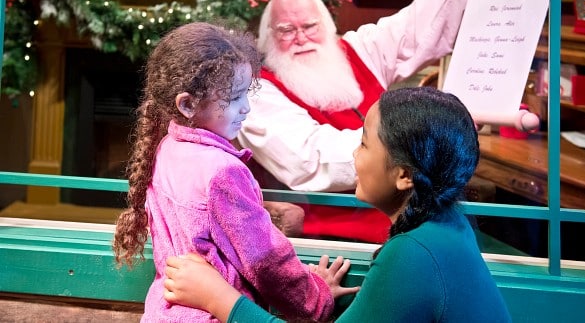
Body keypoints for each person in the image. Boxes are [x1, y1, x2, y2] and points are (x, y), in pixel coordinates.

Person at [163, 87, 512, 322]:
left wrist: (218, 299)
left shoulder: (414, 253)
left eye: (364, 144)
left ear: (404, 175)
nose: (354, 154)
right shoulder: (447, 225)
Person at [112, 22, 358, 322]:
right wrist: (316, 297)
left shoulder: (165, 148)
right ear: (188, 105)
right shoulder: (224, 172)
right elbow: (265, 259)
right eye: (234, 98)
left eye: (247, 95)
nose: (246, 109)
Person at [238, 0, 491, 244]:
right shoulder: (257, 91)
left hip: (412, 221)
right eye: (286, 30)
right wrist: (413, 137)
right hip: (334, 242)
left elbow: (414, 29)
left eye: (310, 26)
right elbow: (309, 160)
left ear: (328, 26)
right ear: (268, 36)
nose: (301, 39)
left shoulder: (357, 49)